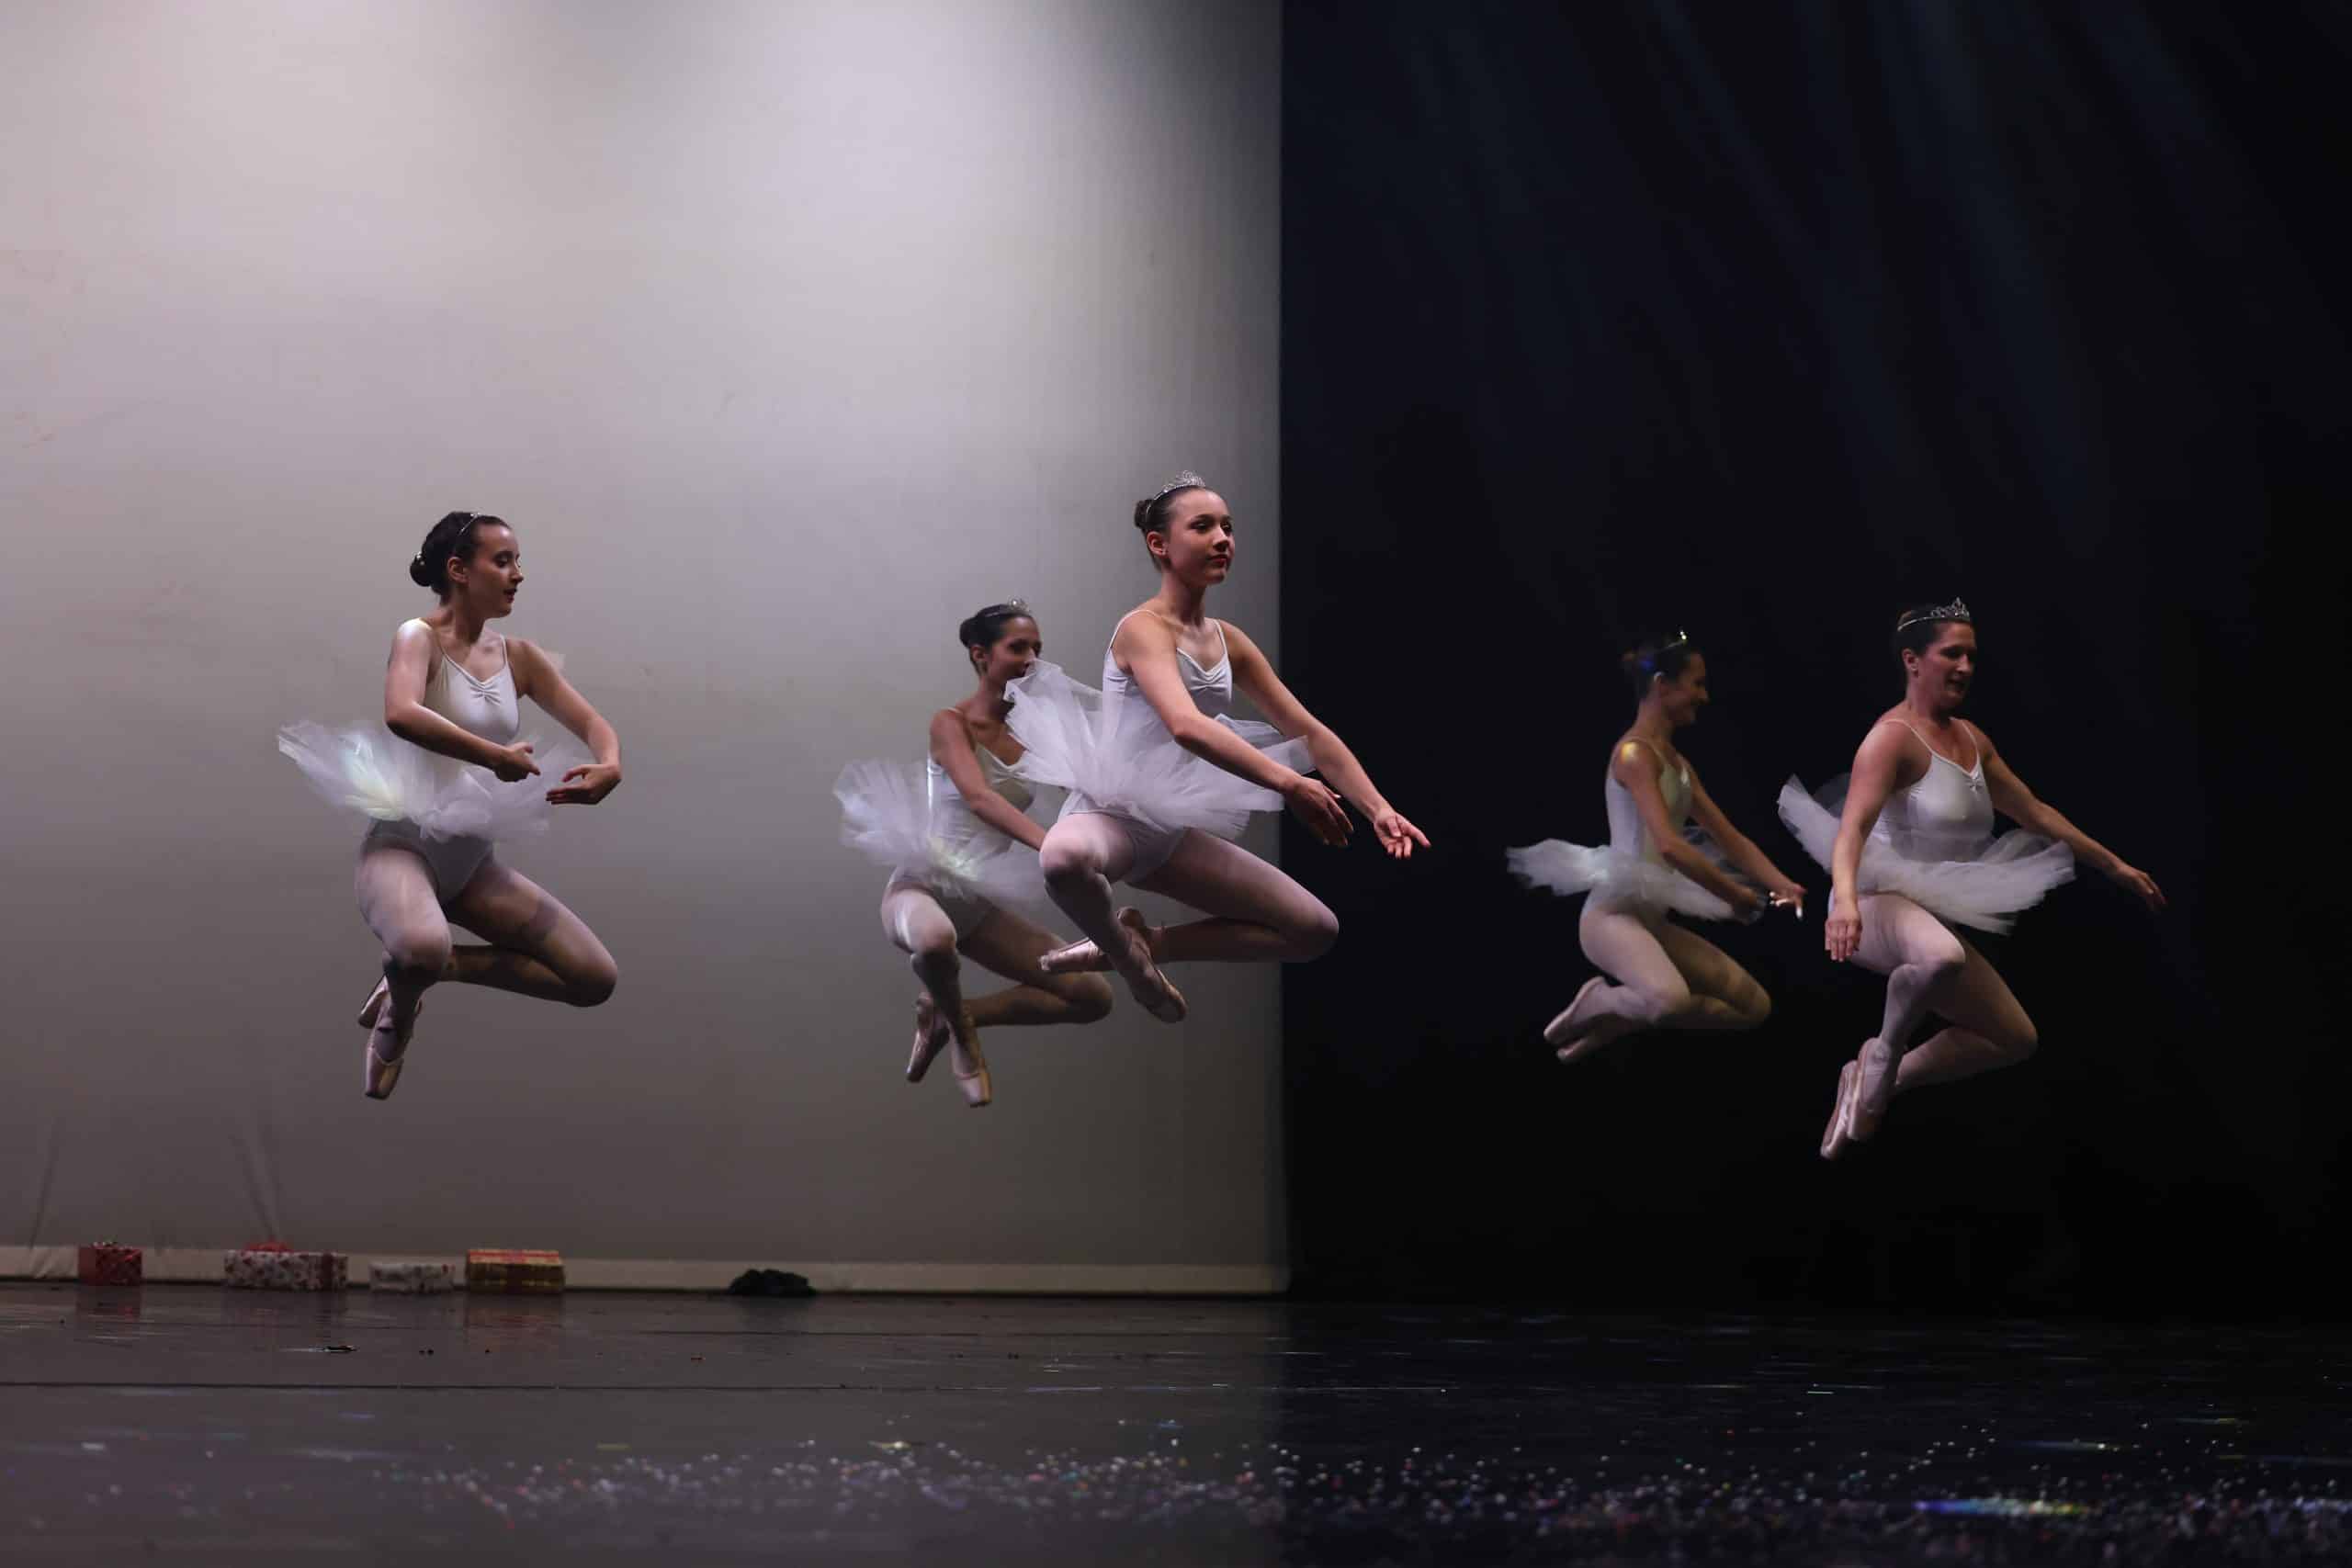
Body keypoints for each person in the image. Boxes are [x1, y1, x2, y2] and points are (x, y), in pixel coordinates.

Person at [1005, 472, 1428, 1023]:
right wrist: (1290, 783)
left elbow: (1310, 732)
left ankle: (1146, 943)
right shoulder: (1142, 628)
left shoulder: (1230, 642)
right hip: (1110, 813)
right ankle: (1128, 961)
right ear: (1160, 544)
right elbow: (1185, 724)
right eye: (1203, 527)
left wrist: (1378, 809)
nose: (1223, 538)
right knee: (1063, 859)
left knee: (1314, 930)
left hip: (1168, 827)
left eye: (1227, 527)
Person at [1779, 600, 2165, 1157]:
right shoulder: (1890, 737)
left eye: (1972, 657)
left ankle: (1877, 1077)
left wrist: (2114, 865)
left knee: (2014, 1038)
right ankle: (1884, 1051)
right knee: (1942, 956)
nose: (1965, 667)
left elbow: (2035, 812)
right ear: (1913, 661)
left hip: (1924, 914)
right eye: (1952, 654)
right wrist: (1843, 903)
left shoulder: (1972, 739)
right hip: (1872, 900)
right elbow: (1853, 827)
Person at [278, 511, 620, 1099]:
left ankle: (427, 974)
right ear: (459, 571)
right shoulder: (418, 637)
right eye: (503, 561)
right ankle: (399, 1015)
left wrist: (611, 763)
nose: (518, 575)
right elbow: (402, 712)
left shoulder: (520, 657)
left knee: (593, 978)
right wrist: (493, 755)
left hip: (470, 864)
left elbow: (592, 723)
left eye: (518, 561)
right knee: (421, 947)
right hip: (404, 847)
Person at [835, 602, 1114, 1108]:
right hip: (921, 890)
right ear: (981, 655)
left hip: (978, 906)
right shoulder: (951, 723)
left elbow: (1086, 791)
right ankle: (964, 1041)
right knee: (935, 940)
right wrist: (1052, 845)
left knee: (1093, 997)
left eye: (1037, 649)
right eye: (1017, 648)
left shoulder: (1036, 736)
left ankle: (955, 1015)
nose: (1031, 659)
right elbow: (980, 798)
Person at [1510, 632, 1805, 1063]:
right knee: (1670, 1000)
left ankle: (1619, 1017)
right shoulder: (1634, 755)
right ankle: (1600, 1001)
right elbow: (1669, 846)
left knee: (1753, 1008)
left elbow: (1729, 837)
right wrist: (1733, 894)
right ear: (1662, 686)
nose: (1704, 696)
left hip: (1650, 921)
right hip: (1611, 918)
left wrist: (1784, 884)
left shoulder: (1679, 766)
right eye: (1696, 684)